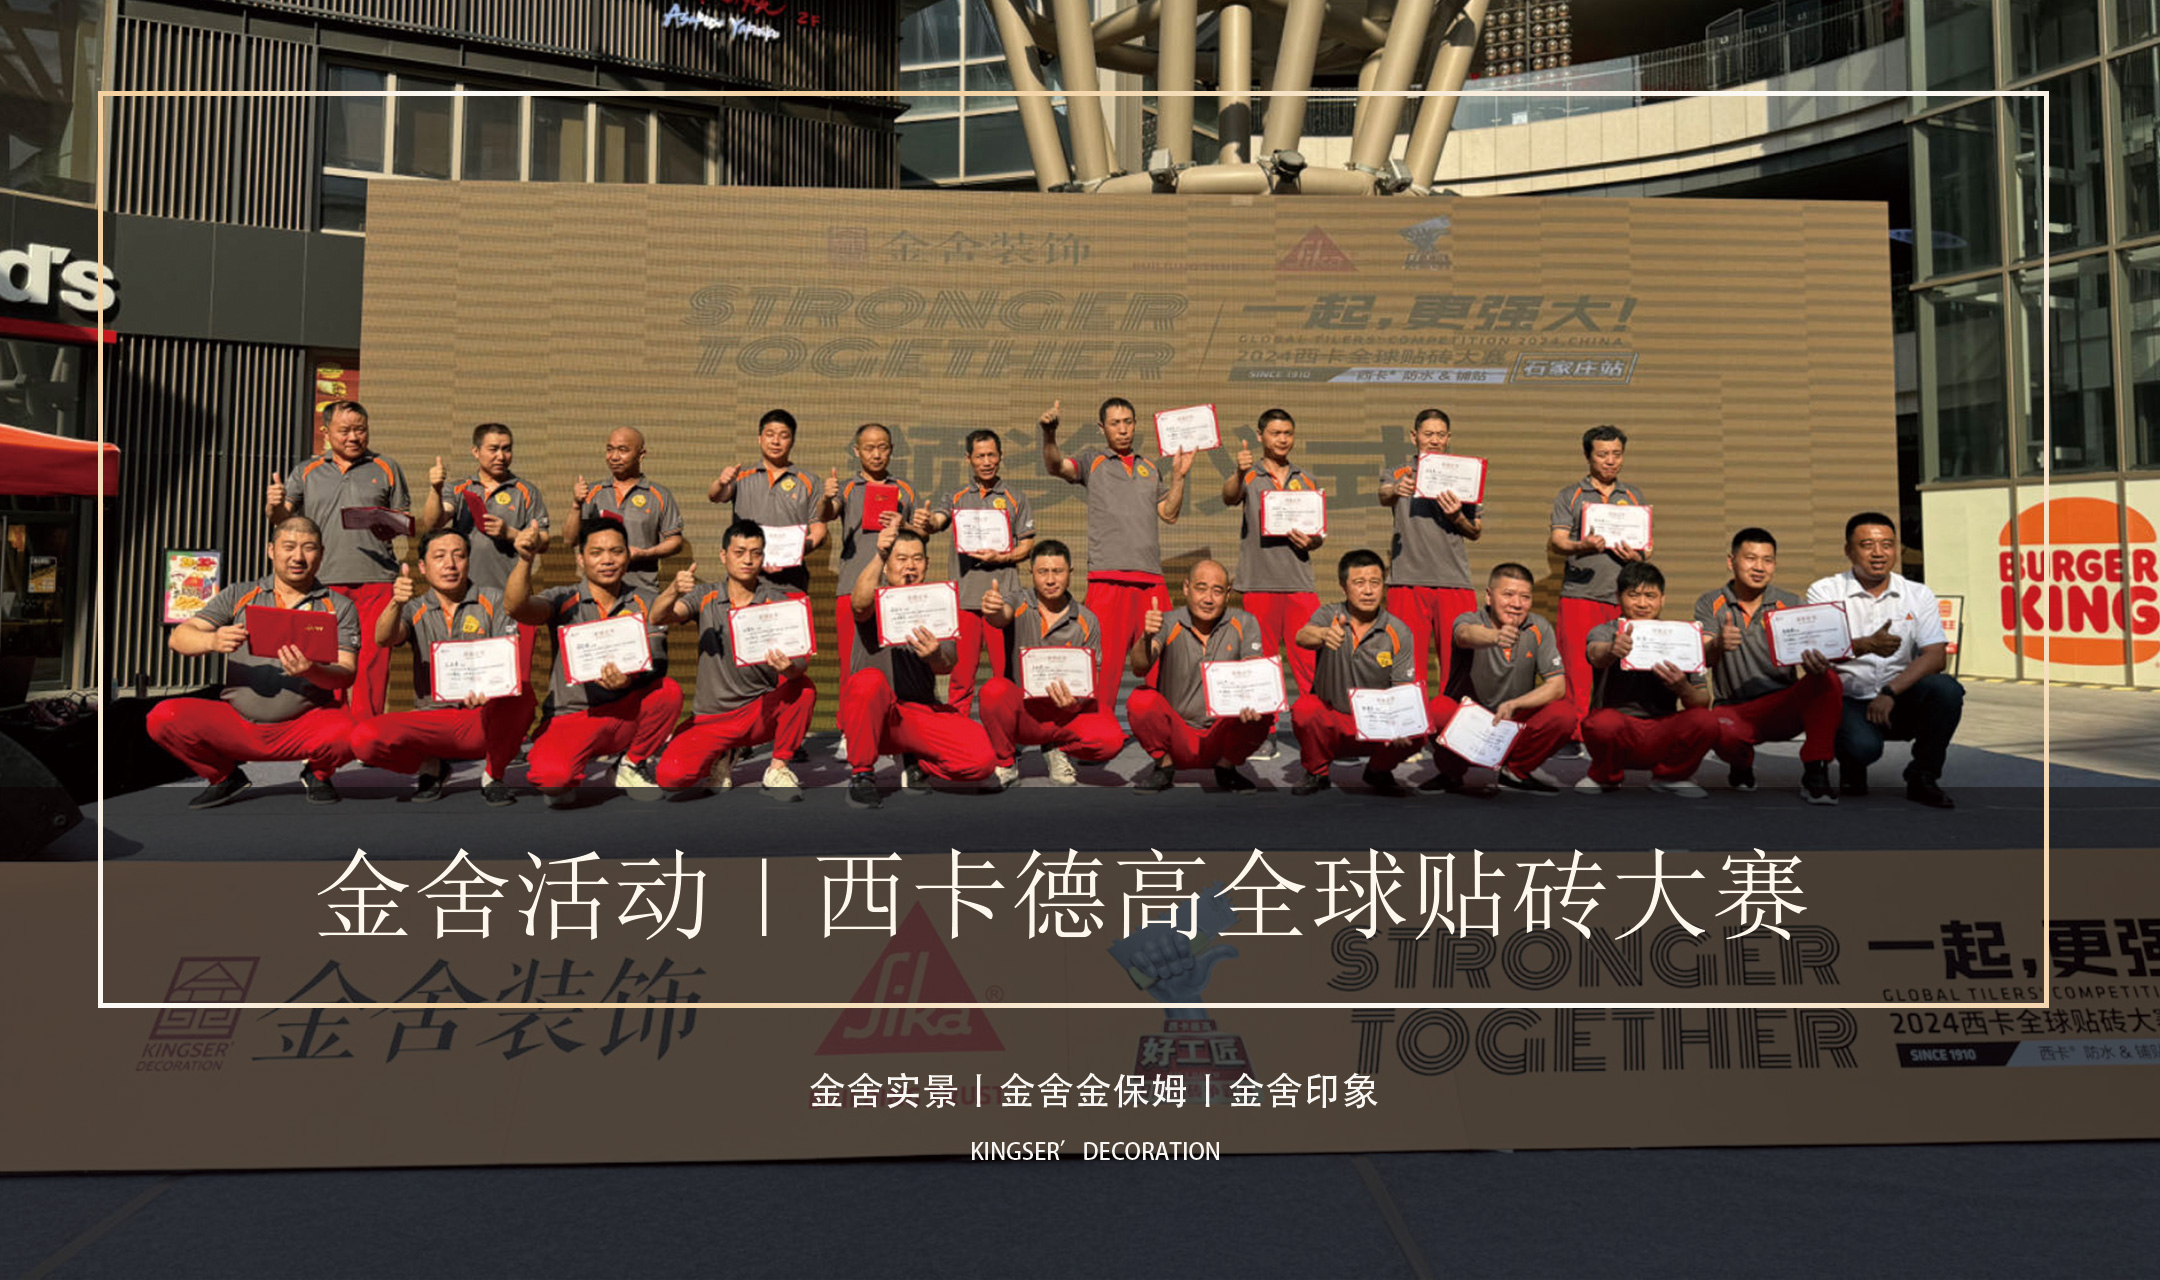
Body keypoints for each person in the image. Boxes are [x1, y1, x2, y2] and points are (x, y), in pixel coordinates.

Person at [147, 516, 358, 807]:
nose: (298, 557)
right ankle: (223, 777)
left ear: (321, 554)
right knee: (163, 717)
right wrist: (212, 640)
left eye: (308, 548)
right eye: (288, 547)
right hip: (238, 724)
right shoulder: (240, 594)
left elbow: (347, 673)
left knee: (352, 732)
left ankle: (318, 773)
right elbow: (179, 638)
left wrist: (312, 670)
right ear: (271, 550)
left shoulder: (339, 606)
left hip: (304, 726)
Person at [266, 399, 433, 719]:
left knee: (373, 659)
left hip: (377, 579)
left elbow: (404, 521)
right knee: (326, 657)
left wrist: (391, 526)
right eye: (345, 431)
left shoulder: (387, 467)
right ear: (326, 432)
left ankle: (367, 729)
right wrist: (273, 505)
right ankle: (330, 726)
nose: (354, 437)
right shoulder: (306, 471)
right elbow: (282, 520)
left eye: (361, 430)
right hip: (322, 581)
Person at [507, 517, 686, 808]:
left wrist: (629, 680)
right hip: (573, 715)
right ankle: (567, 771)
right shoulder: (562, 598)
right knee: (553, 782)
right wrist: (525, 560)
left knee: (668, 691)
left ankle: (631, 764)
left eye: (616, 551)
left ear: (627, 556)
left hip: (624, 712)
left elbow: (658, 660)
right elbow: (517, 608)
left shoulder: (646, 600)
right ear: (581, 559)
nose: (607, 560)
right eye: (596, 552)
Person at [350, 528, 533, 806]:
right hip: (432, 720)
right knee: (364, 739)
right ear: (423, 567)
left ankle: (493, 775)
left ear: (468, 561)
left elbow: (506, 658)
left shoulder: (494, 600)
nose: (450, 564)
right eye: (439, 557)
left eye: (459, 556)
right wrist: (395, 602)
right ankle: (430, 766)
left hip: (482, 716)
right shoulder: (414, 607)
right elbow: (384, 638)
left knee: (524, 695)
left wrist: (491, 690)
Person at [1040, 396, 1198, 706]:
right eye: (1115, 424)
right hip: (1107, 581)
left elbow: (1169, 513)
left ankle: (1164, 727)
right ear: (1102, 428)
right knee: (1101, 669)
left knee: (1162, 664)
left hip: (1151, 582)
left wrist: (1179, 477)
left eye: (1128, 422)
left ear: (1135, 425)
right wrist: (1049, 433)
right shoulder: (1092, 462)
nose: (1123, 429)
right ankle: (1096, 727)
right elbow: (1056, 465)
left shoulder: (1149, 467)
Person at [650, 520, 817, 801]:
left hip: (758, 712)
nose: (747, 560)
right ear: (723, 555)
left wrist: (788, 668)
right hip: (712, 718)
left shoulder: (779, 602)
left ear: (763, 557)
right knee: (671, 777)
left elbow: (800, 665)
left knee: (804, 689)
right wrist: (673, 590)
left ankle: (778, 769)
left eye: (755, 553)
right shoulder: (704, 596)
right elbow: (657, 617)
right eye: (739, 552)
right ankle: (723, 753)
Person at [1806, 512, 1962, 807]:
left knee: (1947, 690)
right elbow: (1817, 653)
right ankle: (1852, 761)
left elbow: (1935, 656)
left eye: (1887, 545)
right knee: (1862, 748)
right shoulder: (1825, 591)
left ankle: (1923, 777)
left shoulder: (1918, 594)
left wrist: (1890, 692)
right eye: (1867, 545)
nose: (1878, 553)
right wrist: (1865, 645)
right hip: (1848, 699)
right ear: (1848, 550)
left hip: (1898, 697)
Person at [838, 523, 996, 808]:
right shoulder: (875, 597)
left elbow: (947, 664)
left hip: (916, 714)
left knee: (981, 760)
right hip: (875, 716)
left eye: (917, 559)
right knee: (867, 682)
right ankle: (862, 775)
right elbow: (859, 604)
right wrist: (879, 555)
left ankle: (918, 761)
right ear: (887, 566)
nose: (910, 566)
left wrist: (934, 654)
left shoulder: (937, 603)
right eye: (901, 559)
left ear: (927, 563)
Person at [1695, 527, 1843, 804]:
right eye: (1751, 558)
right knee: (1717, 728)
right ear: (1731, 561)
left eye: (1768, 560)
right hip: (1735, 708)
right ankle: (1741, 764)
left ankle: (1816, 771)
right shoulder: (1710, 602)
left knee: (1828, 679)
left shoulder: (1790, 602)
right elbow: (1702, 656)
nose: (1759, 567)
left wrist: (1817, 662)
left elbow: (1812, 648)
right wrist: (1718, 644)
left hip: (1780, 706)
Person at [975, 539, 1125, 788]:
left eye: (1058, 571)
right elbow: (1001, 616)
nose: (1050, 580)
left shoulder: (1087, 620)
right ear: (1031, 573)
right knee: (993, 691)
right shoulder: (1019, 600)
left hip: (1065, 715)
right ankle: (1006, 763)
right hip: (1025, 713)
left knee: (1110, 739)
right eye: (1042, 572)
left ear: (1070, 573)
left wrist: (1074, 704)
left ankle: (1058, 748)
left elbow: (1092, 677)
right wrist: (993, 610)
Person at [1424, 563, 1577, 795]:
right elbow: (1464, 635)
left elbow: (1557, 686)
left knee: (1564, 714)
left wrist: (1515, 704)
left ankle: (1515, 772)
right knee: (1438, 709)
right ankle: (1451, 774)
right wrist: (1495, 637)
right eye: (1508, 594)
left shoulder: (1539, 628)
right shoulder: (1470, 620)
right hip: (1468, 726)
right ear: (1489, 596)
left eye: (1525, 597)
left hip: (1510, 723)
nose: (1516, 604)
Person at [1224, 408, 1324, 762]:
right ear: (1261, 435)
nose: (1282, 439)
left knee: (1310, 663)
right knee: (1262, 665)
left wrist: (1311, 541)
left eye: (1288, 433)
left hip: (1299, 585)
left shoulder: (1306, 479)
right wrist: (1238, 471)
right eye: (1275, 433)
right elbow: (1229, 497)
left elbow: (1318, 535)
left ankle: (1316, 731)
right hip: (1259, 584)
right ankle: (1264, 734)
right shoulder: (1249, 474)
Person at [1124, 559, 1273, 794]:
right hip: (1177, 737)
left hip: (1221, 736)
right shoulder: (1167, 621)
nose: (1208, 599)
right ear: (1186, 588)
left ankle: (1226, 767)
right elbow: (1139, 667)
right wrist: (1146, 636)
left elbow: (1253, 671)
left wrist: (1254, 699)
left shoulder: (1245, 622)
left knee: (1265, 704)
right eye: (1201, 588)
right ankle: (1164, 766)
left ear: (1228, 594)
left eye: (1217, 591)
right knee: (1140, 699)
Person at [1578, 561, 1721, 798]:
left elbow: (1702, 701)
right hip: (1618, 729)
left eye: (1650, 596)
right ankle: (1604, 776)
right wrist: (1613, 649)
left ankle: (1670, 777)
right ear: (1618, 597)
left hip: (1662, 730)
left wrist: (1682, 688)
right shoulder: (1606, 631)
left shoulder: (1684, 638)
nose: (1642, 604)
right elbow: (1595, 654)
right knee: (1601, 724)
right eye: (1633, 595)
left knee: (1706, 721)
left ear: (1662, 599)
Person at [1288, 550, 1424, 797]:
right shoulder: (1329, 615)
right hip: (1334, 720)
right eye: (1359, 583)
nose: (1368, 591)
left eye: (1375, 582)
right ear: (1343, 587)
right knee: (1305, 709)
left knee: (1418, 726)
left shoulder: (1399, 630)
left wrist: (1401, 723)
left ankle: (1378, 770)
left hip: (1378, 722)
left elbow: (1402, 688)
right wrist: (1323, 634)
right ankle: (1317, 772)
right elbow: (1302, 636)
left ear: (1383, 585)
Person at [1547, 425, 1648, 741]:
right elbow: (1557, 540)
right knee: (1577, 671)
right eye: (1603, 454)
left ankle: (1614, 730)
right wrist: (1583, 546)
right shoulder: (1571, 495)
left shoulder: (1633, 495)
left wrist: (1636, 556)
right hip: (1581, 595)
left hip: (1622, 598)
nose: (1611, 461)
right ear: (1588, 456)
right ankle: (1574, 734)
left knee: (1621, 670)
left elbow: (1646, 549)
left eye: (1617, 454)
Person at [925, 429, 1036, 714]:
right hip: (965, 600)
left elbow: (1027, 545)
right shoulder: (956, 496)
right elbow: (938, 520)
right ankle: (958, 729)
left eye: (991, 455)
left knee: (1006, 675)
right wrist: (928, 522)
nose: (987, 462)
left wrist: (1002, 557)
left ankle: (1010, 729)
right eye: (980, 456)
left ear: (1001, 456)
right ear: (968, 459)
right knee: (961, 677)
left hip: (1003, 600)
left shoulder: (1015, 497)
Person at [1380, 408, 1482, 696]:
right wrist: (1396, 489)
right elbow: (1383, 494)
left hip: (1454, 580)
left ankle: (1453, 719)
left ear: (1448, 438)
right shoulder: (1399, 473)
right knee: (1407, 663)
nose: (1434, 440)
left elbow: (1475, 531)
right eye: (1428, 434)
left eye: (1440, 435)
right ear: (1414, 437)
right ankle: (1412, 721)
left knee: (1458, 663)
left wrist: (1457, 517)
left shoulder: (1466, 475)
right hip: (1407, 581)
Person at [818, 422, 926, 680]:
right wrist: (825, 498)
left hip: (898, 590)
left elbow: (922, 535)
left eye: (882, 447)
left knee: (898, 663)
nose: (876, 454)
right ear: (857, 451)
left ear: (891, 450)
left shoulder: (905, 489)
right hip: (852, 587)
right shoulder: (847, 487)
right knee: (851, 665)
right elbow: (826, 514)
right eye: (869, 448)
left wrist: (904, 525)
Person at [441, 422, 550, 674]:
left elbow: (544, 541)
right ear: (476, 451)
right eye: (493, 449)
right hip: (465, 600)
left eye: (507, 449)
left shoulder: (526, 491)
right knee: (467, 674)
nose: (501, 456)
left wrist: (510, 533)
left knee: (513, 676)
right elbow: (436, 519)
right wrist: (436, 489)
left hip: (511, 601)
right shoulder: (458, 489)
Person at [708, 408, 825, 598]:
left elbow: (819, 532)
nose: (775, 441)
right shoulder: (742, 476)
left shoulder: (809, 481)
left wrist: (789, 556)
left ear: (792, 441)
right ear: (759, 438)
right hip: (745, 584)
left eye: (783, 436)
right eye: (770, 434)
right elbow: (716, 496)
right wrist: (721, 482)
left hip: (791, 582)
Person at [561, 427, 684, 594]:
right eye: (610, 449)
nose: (614, 457)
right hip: (597, 591)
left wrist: (644, 553)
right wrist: (576, 504)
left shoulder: (659, 495)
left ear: (641, 455)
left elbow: (675, 542)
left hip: (642, 590)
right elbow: (569, 540)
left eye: (622, 450)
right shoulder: (592, 493)